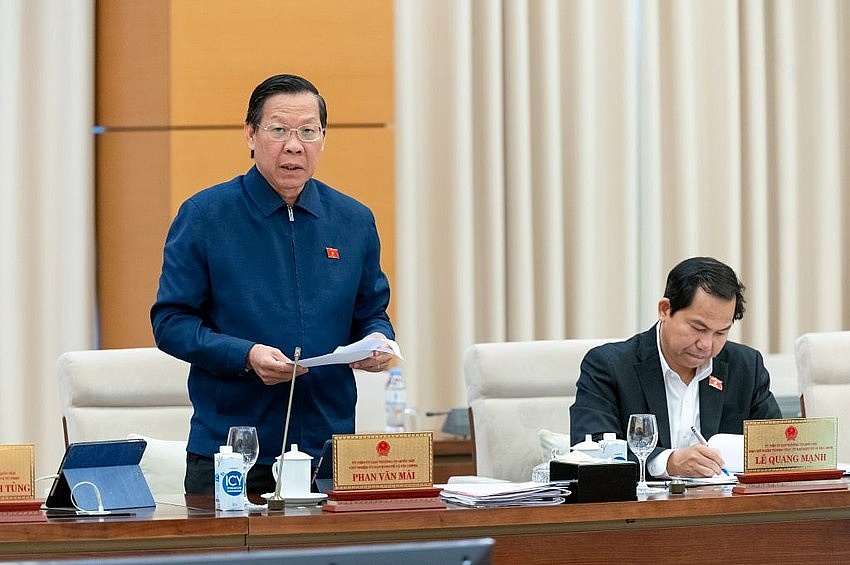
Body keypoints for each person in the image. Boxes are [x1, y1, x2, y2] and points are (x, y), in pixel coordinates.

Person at [151, 74, 396, 495]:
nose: (294, 145)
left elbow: (371, 311)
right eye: (278, 130)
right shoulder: (206, 216)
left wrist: (378, 340)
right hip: (233, 454)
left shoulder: (354, 220)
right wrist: (245, 355)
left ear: (323, 138)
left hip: (328, 449)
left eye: (307, 131)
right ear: (251, 134)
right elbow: (171, 321)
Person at [569, 256, 781, 478]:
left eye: (721, 333)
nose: (706, 345)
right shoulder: (609, 366)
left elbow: (778, 447)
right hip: (641, 508)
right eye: (698, 328)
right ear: (664, 310)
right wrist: (667, 462)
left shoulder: (746, 367)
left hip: (725, 507)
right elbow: (592, 452)